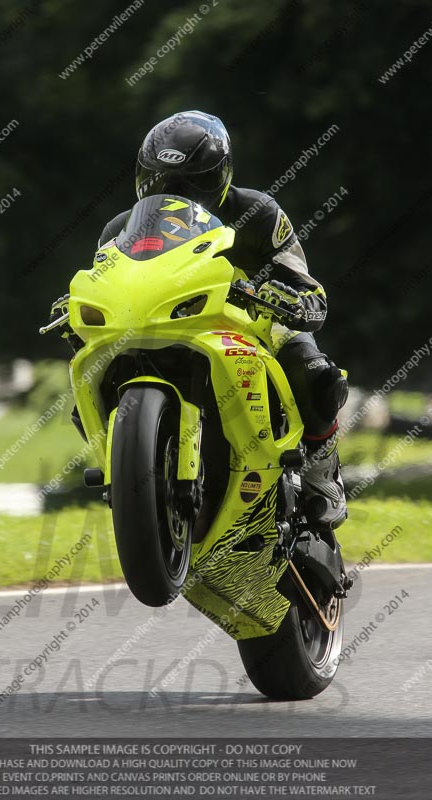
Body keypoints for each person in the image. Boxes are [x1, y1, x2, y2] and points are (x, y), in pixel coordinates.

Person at [54, 110, 349, 530]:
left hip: (252, 325)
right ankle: (127, 478)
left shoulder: (259, 211)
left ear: (222, 175)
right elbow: (108, 281)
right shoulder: (120, 230)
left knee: (316, 373)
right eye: (162, 182)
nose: (176, 192)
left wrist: (297, 299)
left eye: (193, 182)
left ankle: (323, 475)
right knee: (86, 400)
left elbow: (304, 282)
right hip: (160, 322)